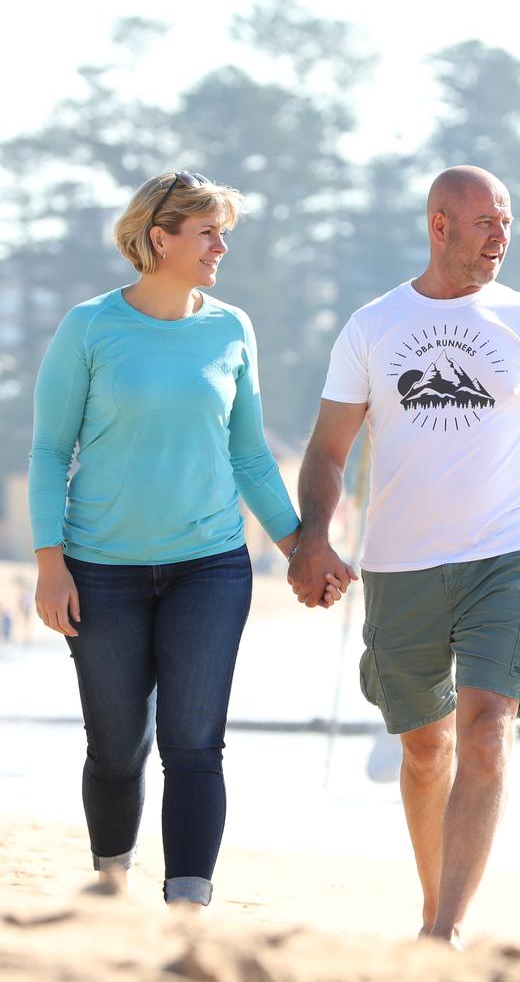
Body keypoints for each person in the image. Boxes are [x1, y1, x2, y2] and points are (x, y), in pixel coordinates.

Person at [288, 165, 520, 947]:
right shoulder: (373, 325)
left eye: (507, 222)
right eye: (485, 223)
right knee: (426, 748)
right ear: (440, 226)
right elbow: (329, 451)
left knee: (488, 725)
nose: (501, 236)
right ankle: (434, 903)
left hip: (505, 557)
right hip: (398, 567)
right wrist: (314, 538)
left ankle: (446, 930)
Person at [28, 170, 345, 910]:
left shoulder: (231, 328)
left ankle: (187, 914)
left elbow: (249, 456)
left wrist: (302, 546)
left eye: (223, 231)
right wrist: (50, 563)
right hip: (100, 569)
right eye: (208, 232)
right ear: (158, 237)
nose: (221, 247)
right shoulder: (90, 326)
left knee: (195, 745)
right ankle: (110, 888)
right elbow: (49, 451)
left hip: (209, 566)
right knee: (115, 748)